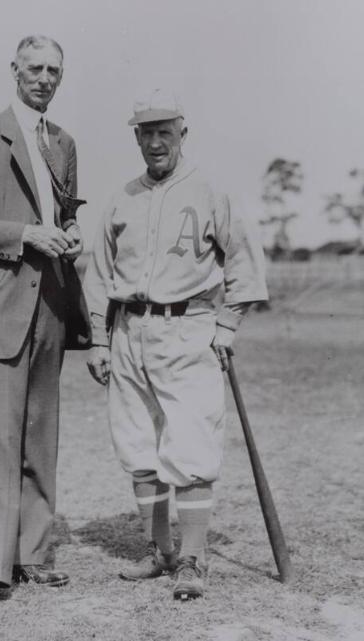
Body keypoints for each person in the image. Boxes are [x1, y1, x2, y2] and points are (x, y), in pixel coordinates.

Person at [84, 89, 268, 601]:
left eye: (166, 131)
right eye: (147, 131)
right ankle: (159, 551)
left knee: (189, 445)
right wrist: (98, 339)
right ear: (136, 136)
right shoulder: (122, 197)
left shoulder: (212, 189)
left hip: (189, 327)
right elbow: (98, 275)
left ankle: (192, 557)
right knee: (138, 445)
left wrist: (227, 326)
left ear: (183, 134)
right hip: (128, 331)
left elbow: (244, 265)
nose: (156, 141)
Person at [0, 34, 90, 617]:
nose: (45, 78)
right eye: (35, 68)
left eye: (54, 69)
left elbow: (67, 212)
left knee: (39, 438)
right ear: (14, 70)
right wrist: (24, 234)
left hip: (51, 306)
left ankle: (32, 555)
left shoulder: (65, 143)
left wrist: (70, 233)